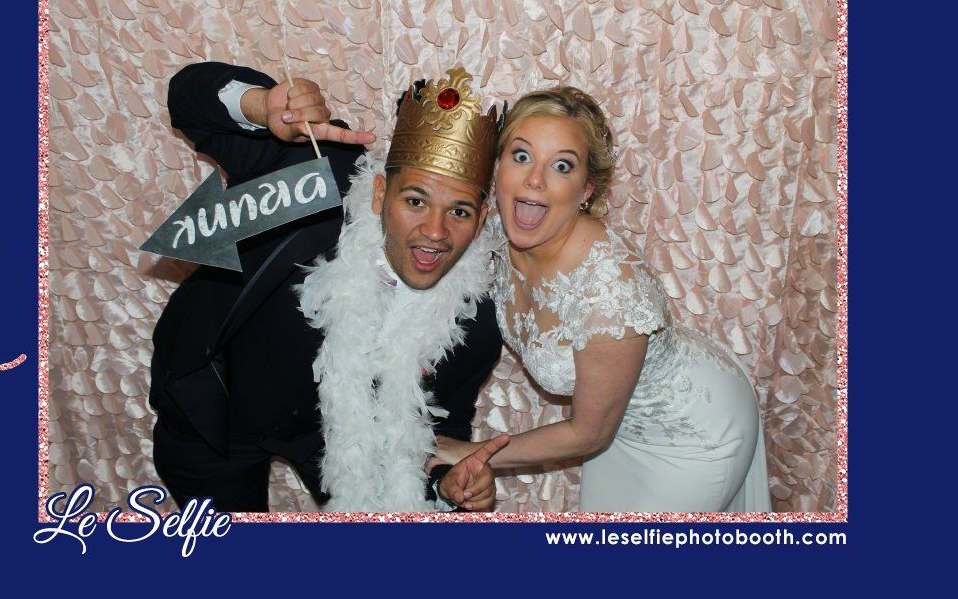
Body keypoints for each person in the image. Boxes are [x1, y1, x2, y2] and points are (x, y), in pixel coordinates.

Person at [150, 63, 508, 513]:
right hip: (220, 411)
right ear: (380, 193)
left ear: (480, 222)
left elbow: (435, 426)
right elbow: (187, 99)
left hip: (335, 437)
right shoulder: (313, 171)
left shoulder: (474, 323)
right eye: (415, 201)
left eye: (458, 212)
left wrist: (447, 484)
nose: (434, 231)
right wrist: (259, 105)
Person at [432, 86, 772, 512]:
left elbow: (590, 433)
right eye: (521, 156)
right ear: (496, 168)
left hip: (692, 438)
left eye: (561, 166)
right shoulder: (494, 235)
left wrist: (469, 452)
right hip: (615, 427)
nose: (534, 179)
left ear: (587, 189)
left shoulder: (611, 288)